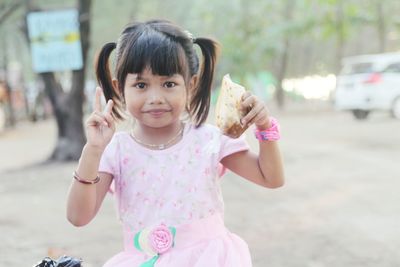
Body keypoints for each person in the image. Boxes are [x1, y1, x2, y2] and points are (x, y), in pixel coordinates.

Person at [66, 19, 284, 267]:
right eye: (141, 85)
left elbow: (271, 178)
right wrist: (93, 151)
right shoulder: (115, 150)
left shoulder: (208, 140)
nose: (155, 98)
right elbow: (77, 217)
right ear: (119, 88)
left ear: (190, 85)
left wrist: (265, 127)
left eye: (169, 84)